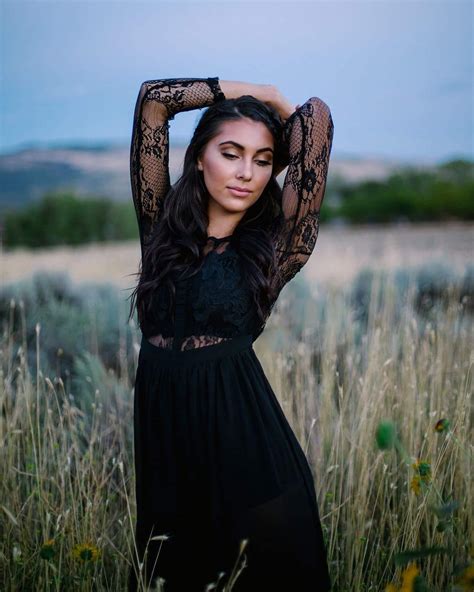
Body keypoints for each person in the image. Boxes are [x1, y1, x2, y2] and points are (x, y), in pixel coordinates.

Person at [127, 77, 334, 591]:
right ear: (200, 158)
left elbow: (317, 120)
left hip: (247, 452)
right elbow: (155, 100)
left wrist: (278, 104)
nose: (246, 173)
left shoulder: (277, 246)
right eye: (231, 153)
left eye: (263, 160)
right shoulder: (161, 230)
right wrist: (252, 89)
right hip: (167, 452)